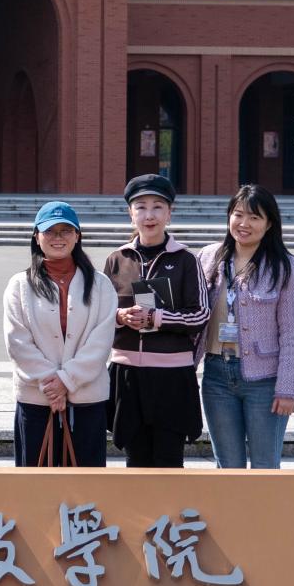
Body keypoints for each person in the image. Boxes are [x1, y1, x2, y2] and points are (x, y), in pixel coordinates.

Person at [103, 173, 211, 468]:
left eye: (157, 207)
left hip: (171, 376)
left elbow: (201, 315)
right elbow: (99, 313)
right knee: (135, 459)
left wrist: (157, 317)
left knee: (169, 460)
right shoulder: (116, 259)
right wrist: (120, 317)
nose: (149, 215)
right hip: (127, 375)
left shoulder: (186, 260)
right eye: (141, 207)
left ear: (169, 213)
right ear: (130, 213)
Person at [197, 184, 294, 469]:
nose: (244, 223)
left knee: (265, 466)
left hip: (264, 382)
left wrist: (288, 389)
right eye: (238, 214)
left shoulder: (284, 266)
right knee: (227, 465)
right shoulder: (208, 257)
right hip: (216, 375)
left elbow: (292, 333)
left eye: (254, 217)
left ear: (269, 224)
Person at [3, 201, 119, 467]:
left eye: (66, 230)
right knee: (35, 482)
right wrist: (52, 384)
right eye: (50, 231)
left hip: (87, 398)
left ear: (77, 236)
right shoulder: (20, 285)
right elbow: (17, 341)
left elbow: (101, 340)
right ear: (37, 237)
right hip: (36, 397)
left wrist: (67, 380)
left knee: (85, 482)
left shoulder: (100, 284)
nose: (58, 238)